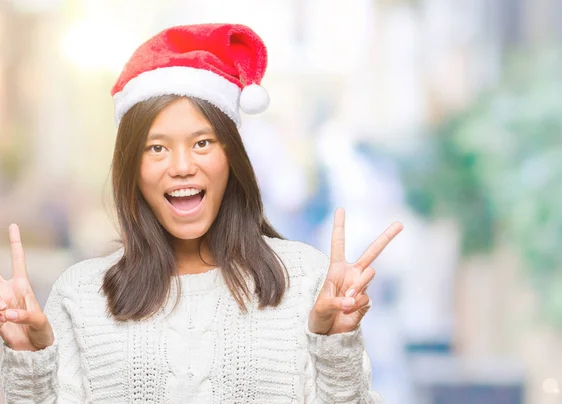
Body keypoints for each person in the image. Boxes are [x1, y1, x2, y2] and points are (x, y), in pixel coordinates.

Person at [0, 23, 402, 403]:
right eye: (156, 148)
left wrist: (335, 347)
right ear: (132, 170)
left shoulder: (305, 280)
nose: (181, 166)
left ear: (232, 157)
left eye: (203, 143)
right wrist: (27, 363)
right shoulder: (82, 293)